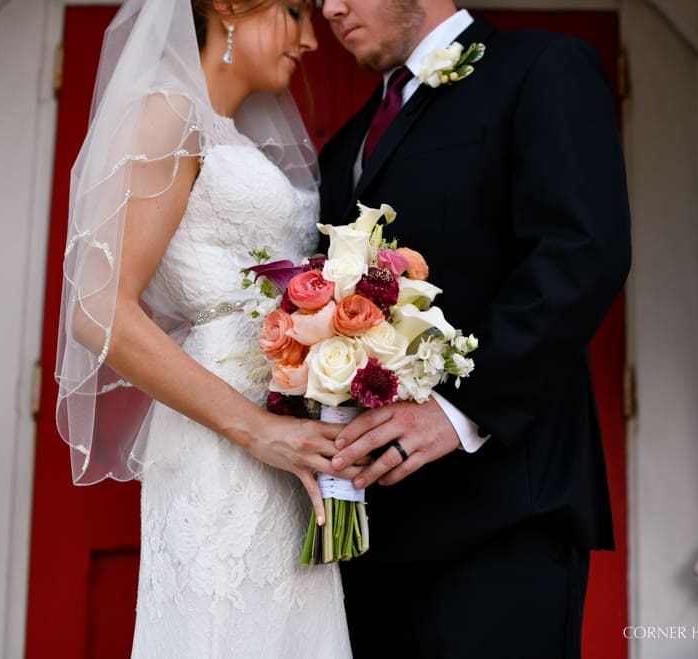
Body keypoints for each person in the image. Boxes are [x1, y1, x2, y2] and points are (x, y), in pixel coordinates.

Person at [318, 1, 631, 657]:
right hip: (370, 530)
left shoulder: (541, 67)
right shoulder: (344, 145)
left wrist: (456, 409)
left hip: (504, 516)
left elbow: (579, 251)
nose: (329, 8)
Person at [55, 0, 355, 655]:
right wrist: (259, 429)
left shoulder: (236, 136)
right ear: (226, 6)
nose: (309, 41)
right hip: (227, 440)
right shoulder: (168, 112)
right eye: (295, 12)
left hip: (288, 437)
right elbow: (98, 310)